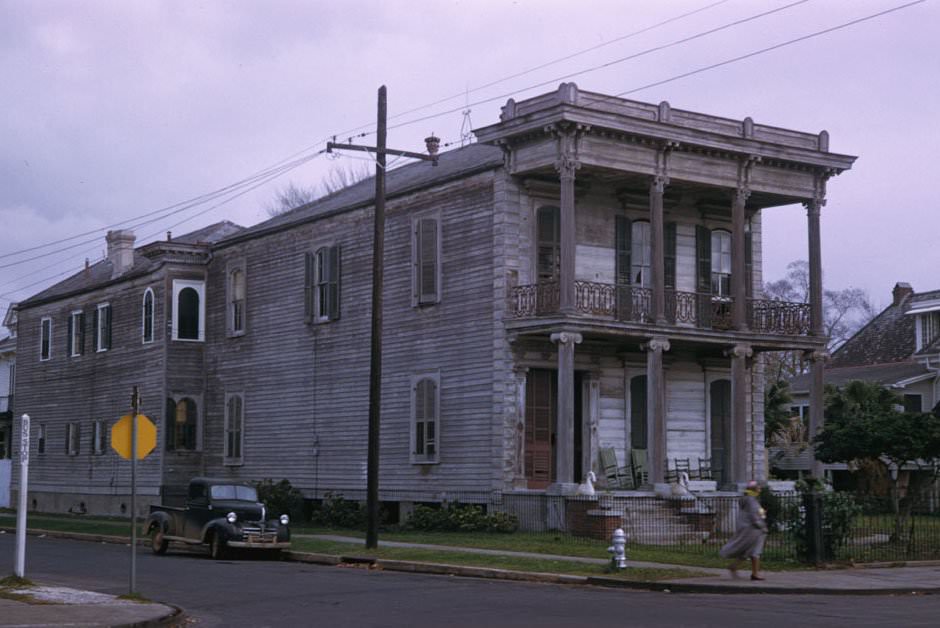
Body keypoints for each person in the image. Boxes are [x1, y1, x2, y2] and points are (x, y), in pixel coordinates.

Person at [719, 480, 768, 580]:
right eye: (758, 488)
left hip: (747, 528)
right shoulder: (751, 500)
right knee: (755, 551)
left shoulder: (747, 499)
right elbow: (754, 516)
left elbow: (757, 512)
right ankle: (755, 573)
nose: (760, 489)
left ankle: (735, 566)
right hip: (754, 529)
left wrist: (762, 513)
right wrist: (762, 526)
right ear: (754, 490)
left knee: (749, 550)